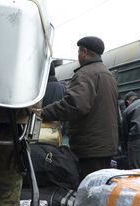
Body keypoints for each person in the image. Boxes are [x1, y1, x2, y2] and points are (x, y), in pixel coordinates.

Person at [41, 36, 119, 178]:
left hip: (90, 145)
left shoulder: (85, 74)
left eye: (78, 52)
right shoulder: (109, 75)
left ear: (84, 51)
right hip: (106, 144)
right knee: (99, 186)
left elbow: (75, 105)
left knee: (87, 189)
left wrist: (44, 112)